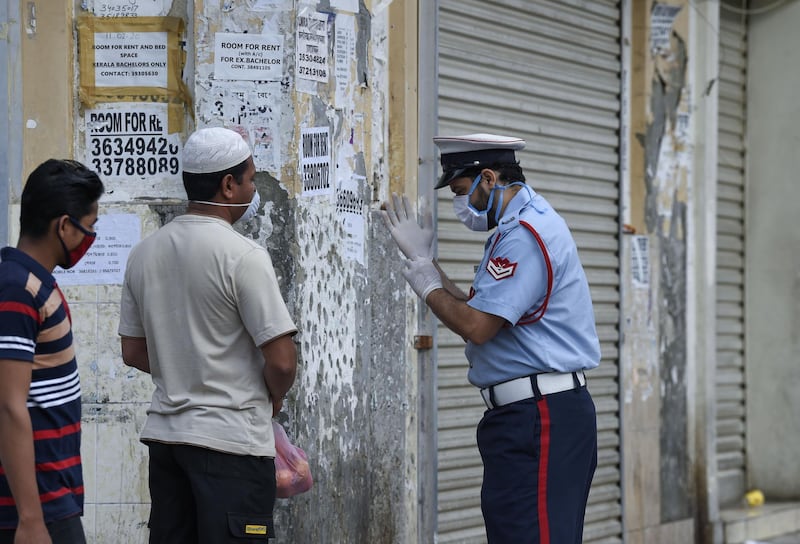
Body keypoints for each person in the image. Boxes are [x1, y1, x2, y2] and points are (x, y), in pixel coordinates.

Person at [382, 133, 600, 543]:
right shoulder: (520, 225)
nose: (460, 205)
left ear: (488, 178)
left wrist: (428, 285)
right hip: (531, 417)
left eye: (462, 191)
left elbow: (477, 327)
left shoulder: (524, 235)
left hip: (540, 417)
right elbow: (478, 307)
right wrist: (425, 263)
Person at [118, 127, 298, 544]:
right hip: (231, 444)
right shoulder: (244, 256)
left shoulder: (144, 253)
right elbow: (283, 360)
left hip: (167, 443)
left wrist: (183, 366)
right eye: (251, 180)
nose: (253, 190)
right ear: (228, 184)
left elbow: (132, 350)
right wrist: (274, 393)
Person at [0, 159, 104, 544]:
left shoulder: (35, 284)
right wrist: (30, 518)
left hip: (54, 496)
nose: (90, 238)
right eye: (88, 227)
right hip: (34, 508)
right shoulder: (17, 290)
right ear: (63, 225)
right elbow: (9, 405)